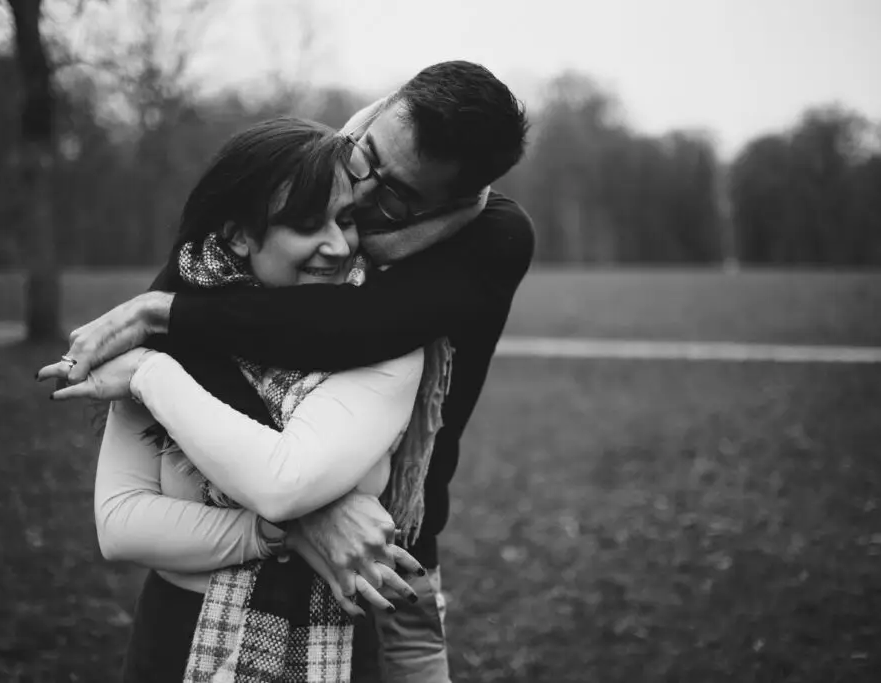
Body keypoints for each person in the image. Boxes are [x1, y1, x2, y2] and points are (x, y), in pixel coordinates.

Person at [42, 60, 535, 681]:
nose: (359, 190)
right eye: (367, 155)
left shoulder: (492, 239)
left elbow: (345, 328)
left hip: (392, 555)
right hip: (251, 547)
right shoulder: (320, 175)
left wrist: (162, 316)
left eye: (397, 193)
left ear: (454, 200)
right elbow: (196, 311)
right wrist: (301, 511)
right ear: (382, 108)